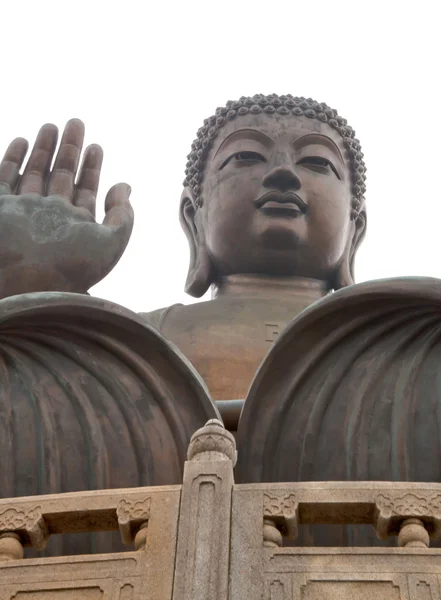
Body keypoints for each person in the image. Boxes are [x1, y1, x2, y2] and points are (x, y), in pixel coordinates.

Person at [0, 94, 367, 401]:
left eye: (317, 162)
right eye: (246, 156)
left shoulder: (397, 337)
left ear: (356, 227)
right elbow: (41, 420)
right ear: (193, 217)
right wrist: (33, 298)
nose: (283, 173)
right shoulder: (131, 340)